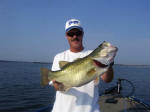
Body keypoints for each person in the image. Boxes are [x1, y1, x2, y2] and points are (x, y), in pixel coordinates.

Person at [50, 19, 114, 112]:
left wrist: (109, 65)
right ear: (66, 36)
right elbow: (58, 88)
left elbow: (107, 79)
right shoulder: (59, 57)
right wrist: (59, 84)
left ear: (82, 34)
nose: (75, 36)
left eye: (78, 33)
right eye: (71, 34)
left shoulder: (92, 54)